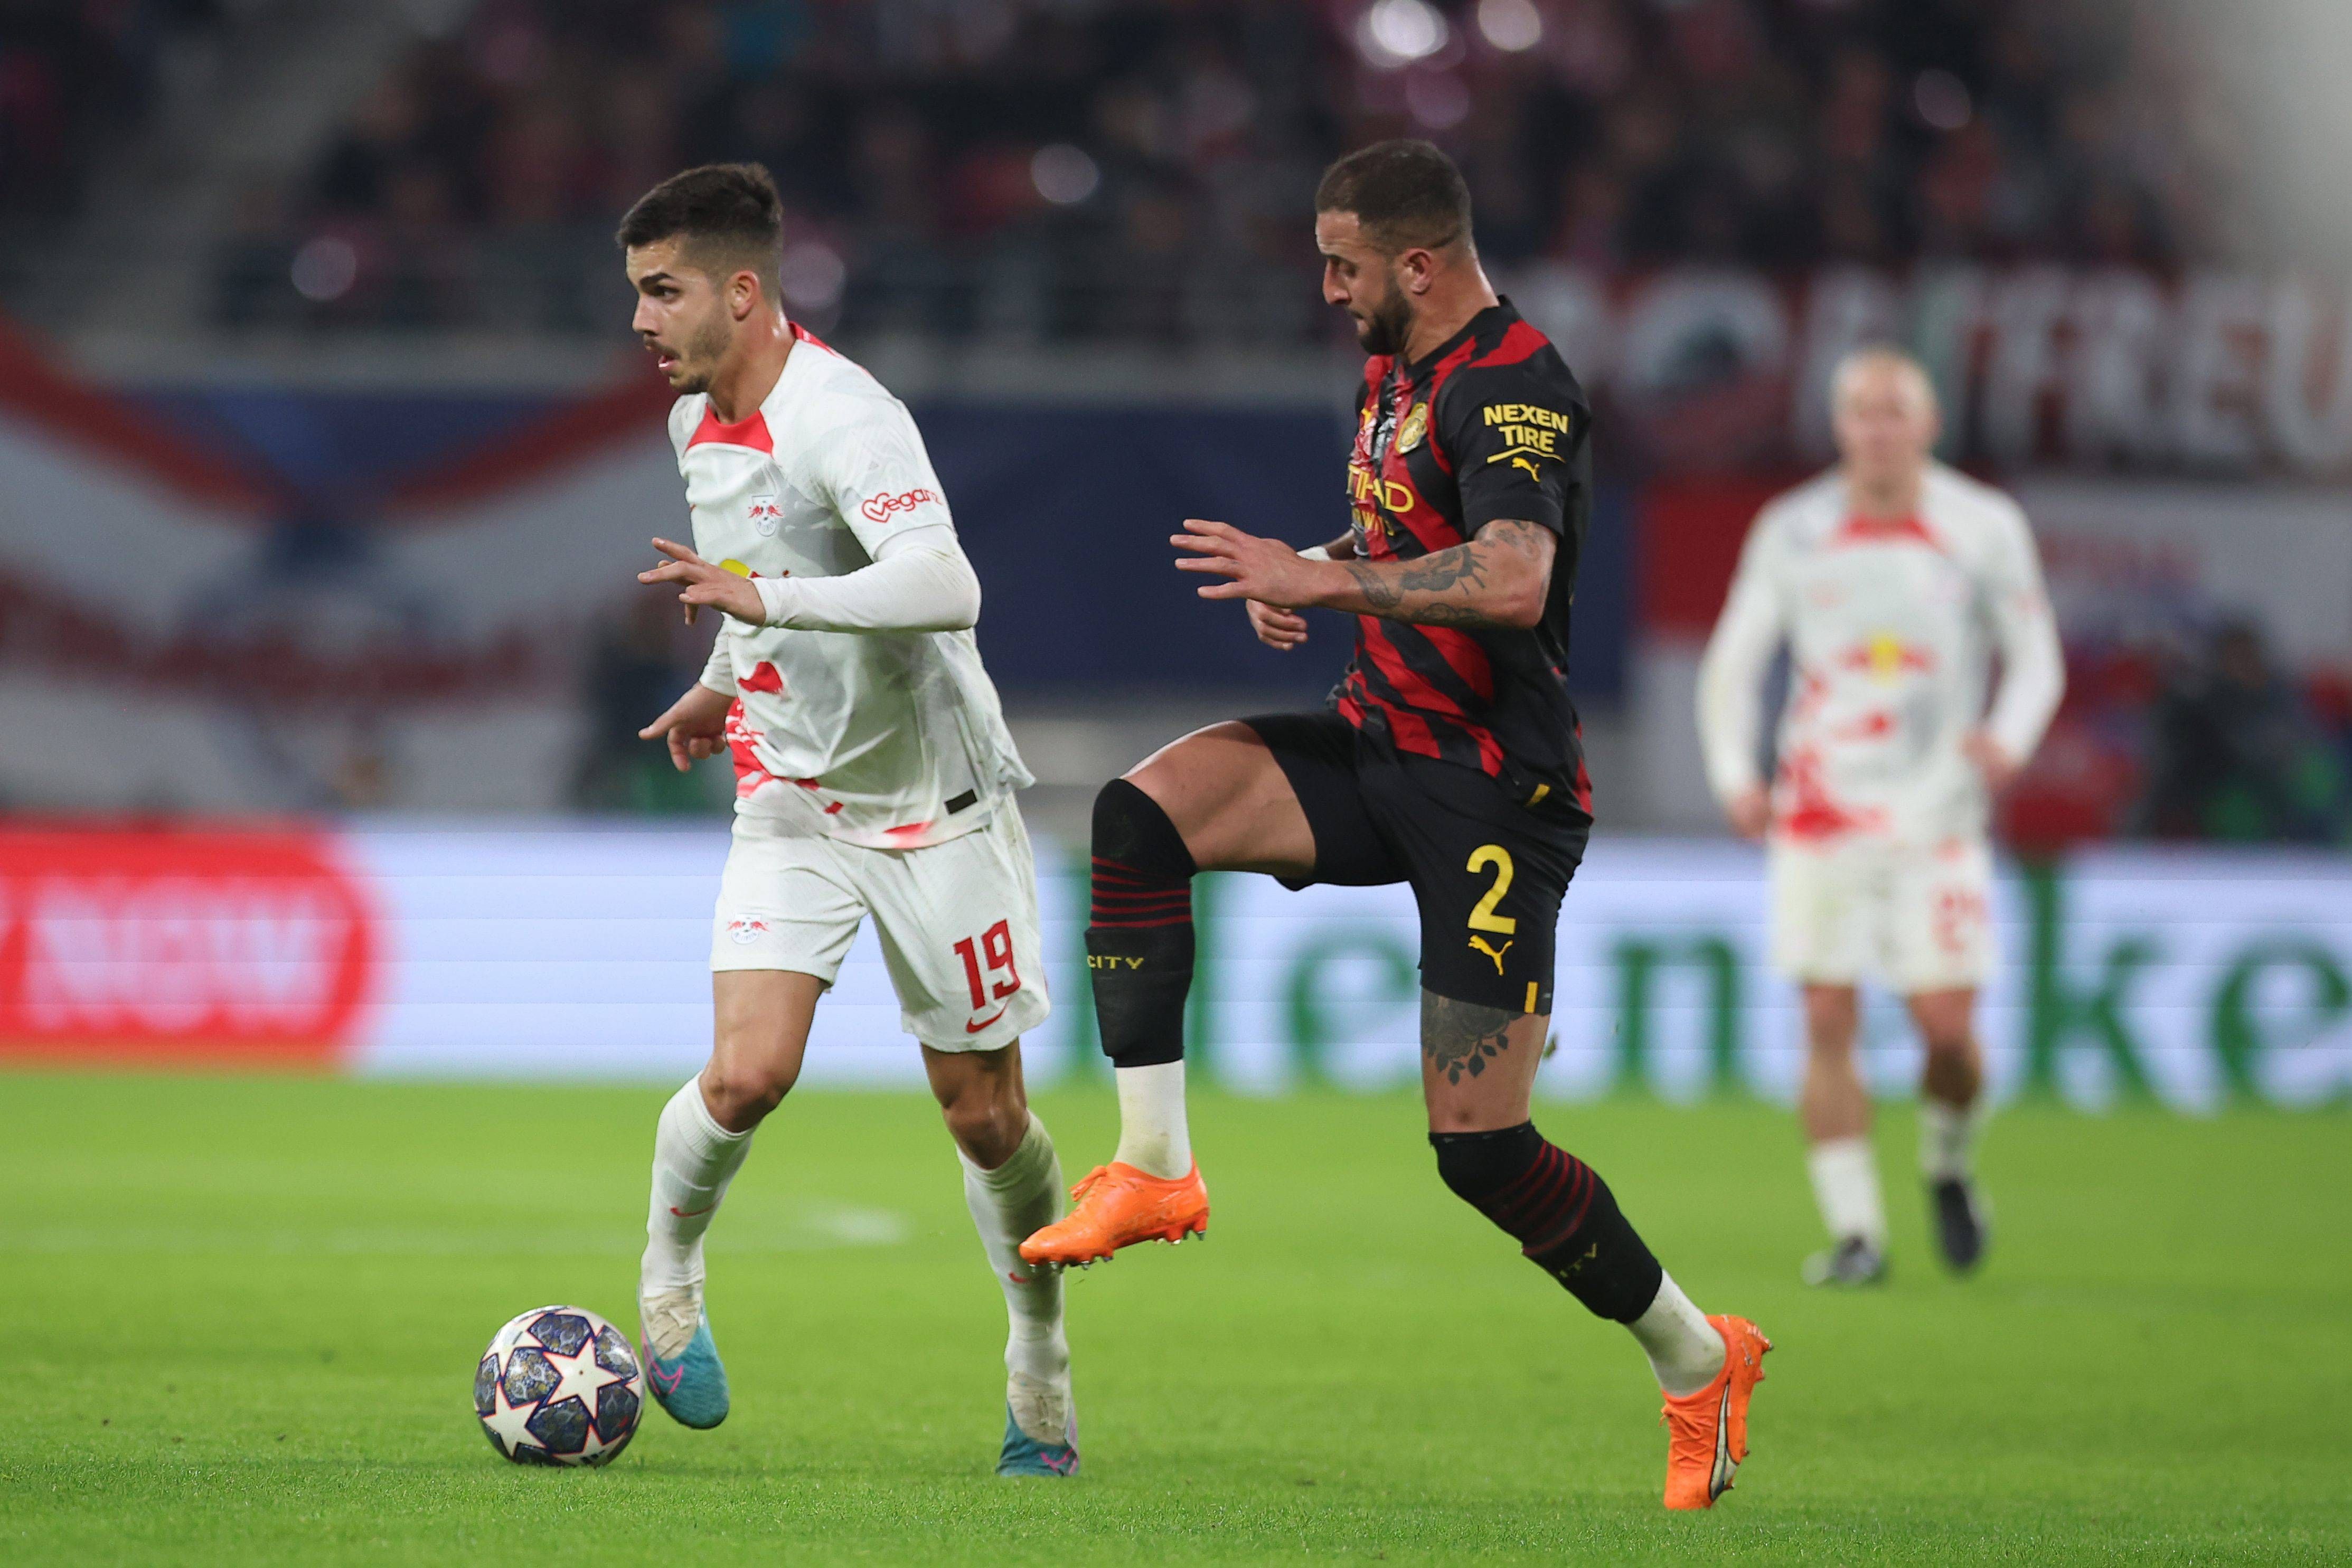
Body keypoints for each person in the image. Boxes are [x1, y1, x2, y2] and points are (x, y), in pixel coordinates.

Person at [1020, 140, 1768, 1512]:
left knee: (1479, 1151)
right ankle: (1156, 1166)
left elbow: (1510, 575)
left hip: (1494, 795)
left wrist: (1329, 577)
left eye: (1342, 265)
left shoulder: (1515, 383)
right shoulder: (1395, 370)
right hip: (1378, 748)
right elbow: (1407, 518)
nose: (1325, 289)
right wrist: (1316, 574)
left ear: (1415, 265)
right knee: (1138, 814)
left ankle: (1692, 1352)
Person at [617, 163, 1077, 1476]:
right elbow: (761, 582)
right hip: (791, 798)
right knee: (748, 1073)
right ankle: (668, 1280)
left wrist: (763, 614)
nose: (643, 322)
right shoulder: (695, 421)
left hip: (934, 808)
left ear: (744, 291)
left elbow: (944, 583)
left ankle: (1038, 1370)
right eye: (638, 296)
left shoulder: (845, 417)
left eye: (665, 293)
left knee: (985, 1119)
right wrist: (719, 684)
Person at [1695, 347, 2064, 1287]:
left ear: (1929, 424)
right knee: (1825, 1015)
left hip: (1937, 811)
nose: (1878, 427)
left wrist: (2008, 739)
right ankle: (1857, 1234)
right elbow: (1733, 664)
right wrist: (1737, 773)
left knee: (1946, 1034)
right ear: (1838, 425)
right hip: (1819, 807)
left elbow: (2035, 657)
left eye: (1895, 410)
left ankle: (1945, 1162)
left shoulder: (1982, 526)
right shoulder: (1794, 527)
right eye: (1861, 411)